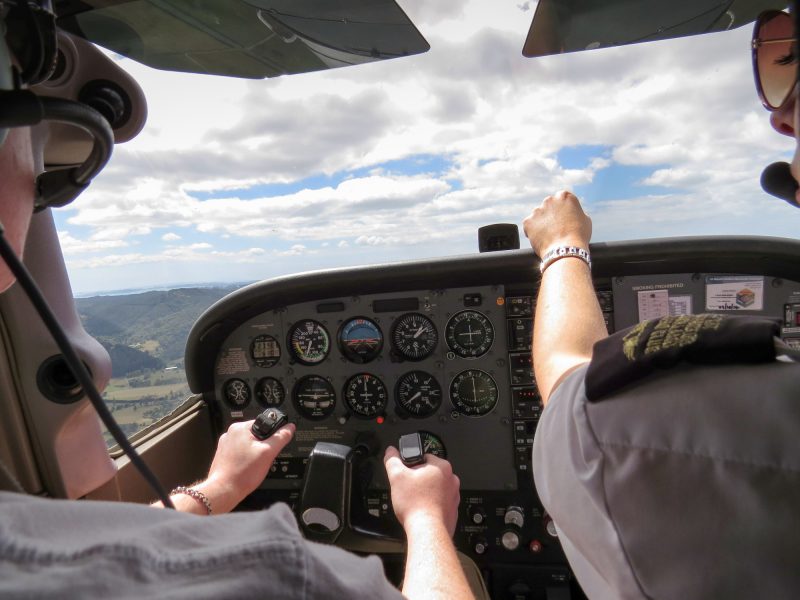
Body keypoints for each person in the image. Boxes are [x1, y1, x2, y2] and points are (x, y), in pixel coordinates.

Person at [0, 23, 478, 600]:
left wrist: (222, 485)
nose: (39, 169)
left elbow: (113, 557)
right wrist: (427, 519)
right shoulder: (276, 572)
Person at [523, 6, 800, 600]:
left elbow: (573, 391)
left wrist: (562, 245)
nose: (781, 118)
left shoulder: (638, 433)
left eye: (793, 63)